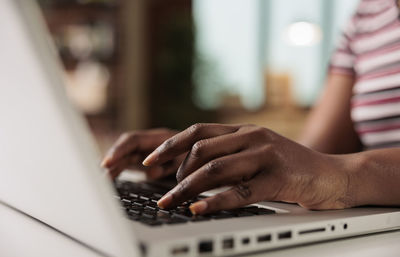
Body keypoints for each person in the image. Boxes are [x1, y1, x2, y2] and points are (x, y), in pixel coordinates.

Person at [102, 0, 400, 215]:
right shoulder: (367, 13)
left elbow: (334, 171)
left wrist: (347, 175)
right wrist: (217, 157)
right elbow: (315, 156)